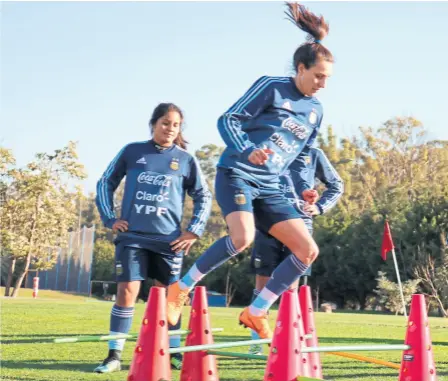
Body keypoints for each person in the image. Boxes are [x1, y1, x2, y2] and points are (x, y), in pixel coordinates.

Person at [167, 2, 334, 340]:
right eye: (318, 76)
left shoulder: (316, 110)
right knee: (243, 238)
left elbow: (301, 157)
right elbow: (227, 119)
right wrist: (248, 149)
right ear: (300, 68)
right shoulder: (271, 86)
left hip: (273, 187)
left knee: (308, 251)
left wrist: (304, 188)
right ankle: (179, 289)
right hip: (238, 174)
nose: (322, 84)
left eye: (327, 79)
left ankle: (256, 311)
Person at [94, 103, 212, 373]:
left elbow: (203, 195)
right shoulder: (132, 151)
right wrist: (110, 219)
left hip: (169, 241)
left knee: (172, 299)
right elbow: (104, 183)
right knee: (127, 292)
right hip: (132, 236)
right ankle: (114, 355)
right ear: (153, 124)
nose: (170, 129)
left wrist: (194, 229)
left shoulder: (185, 159)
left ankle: (173, 352)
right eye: (165, 123)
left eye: (176, 125)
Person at [248, 146, 344, 354]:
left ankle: (286, 344)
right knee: (262, 283)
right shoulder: (270, 146)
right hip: (268, 225)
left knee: (290, 289)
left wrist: (319, 207)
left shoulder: (314, 153)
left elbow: (336, 185)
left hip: (300, 226)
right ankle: (255, 343)